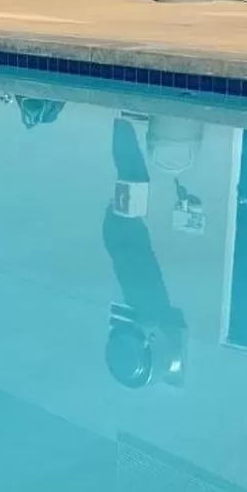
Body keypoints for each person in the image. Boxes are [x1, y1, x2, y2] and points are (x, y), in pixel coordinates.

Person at [102, 114, 187, 389]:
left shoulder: (148, 311)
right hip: (120, 232)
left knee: (134, 176)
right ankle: (120, 123)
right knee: (133, 175)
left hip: (122, 229)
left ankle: (120, 120)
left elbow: (159, 322)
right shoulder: (147, 313)